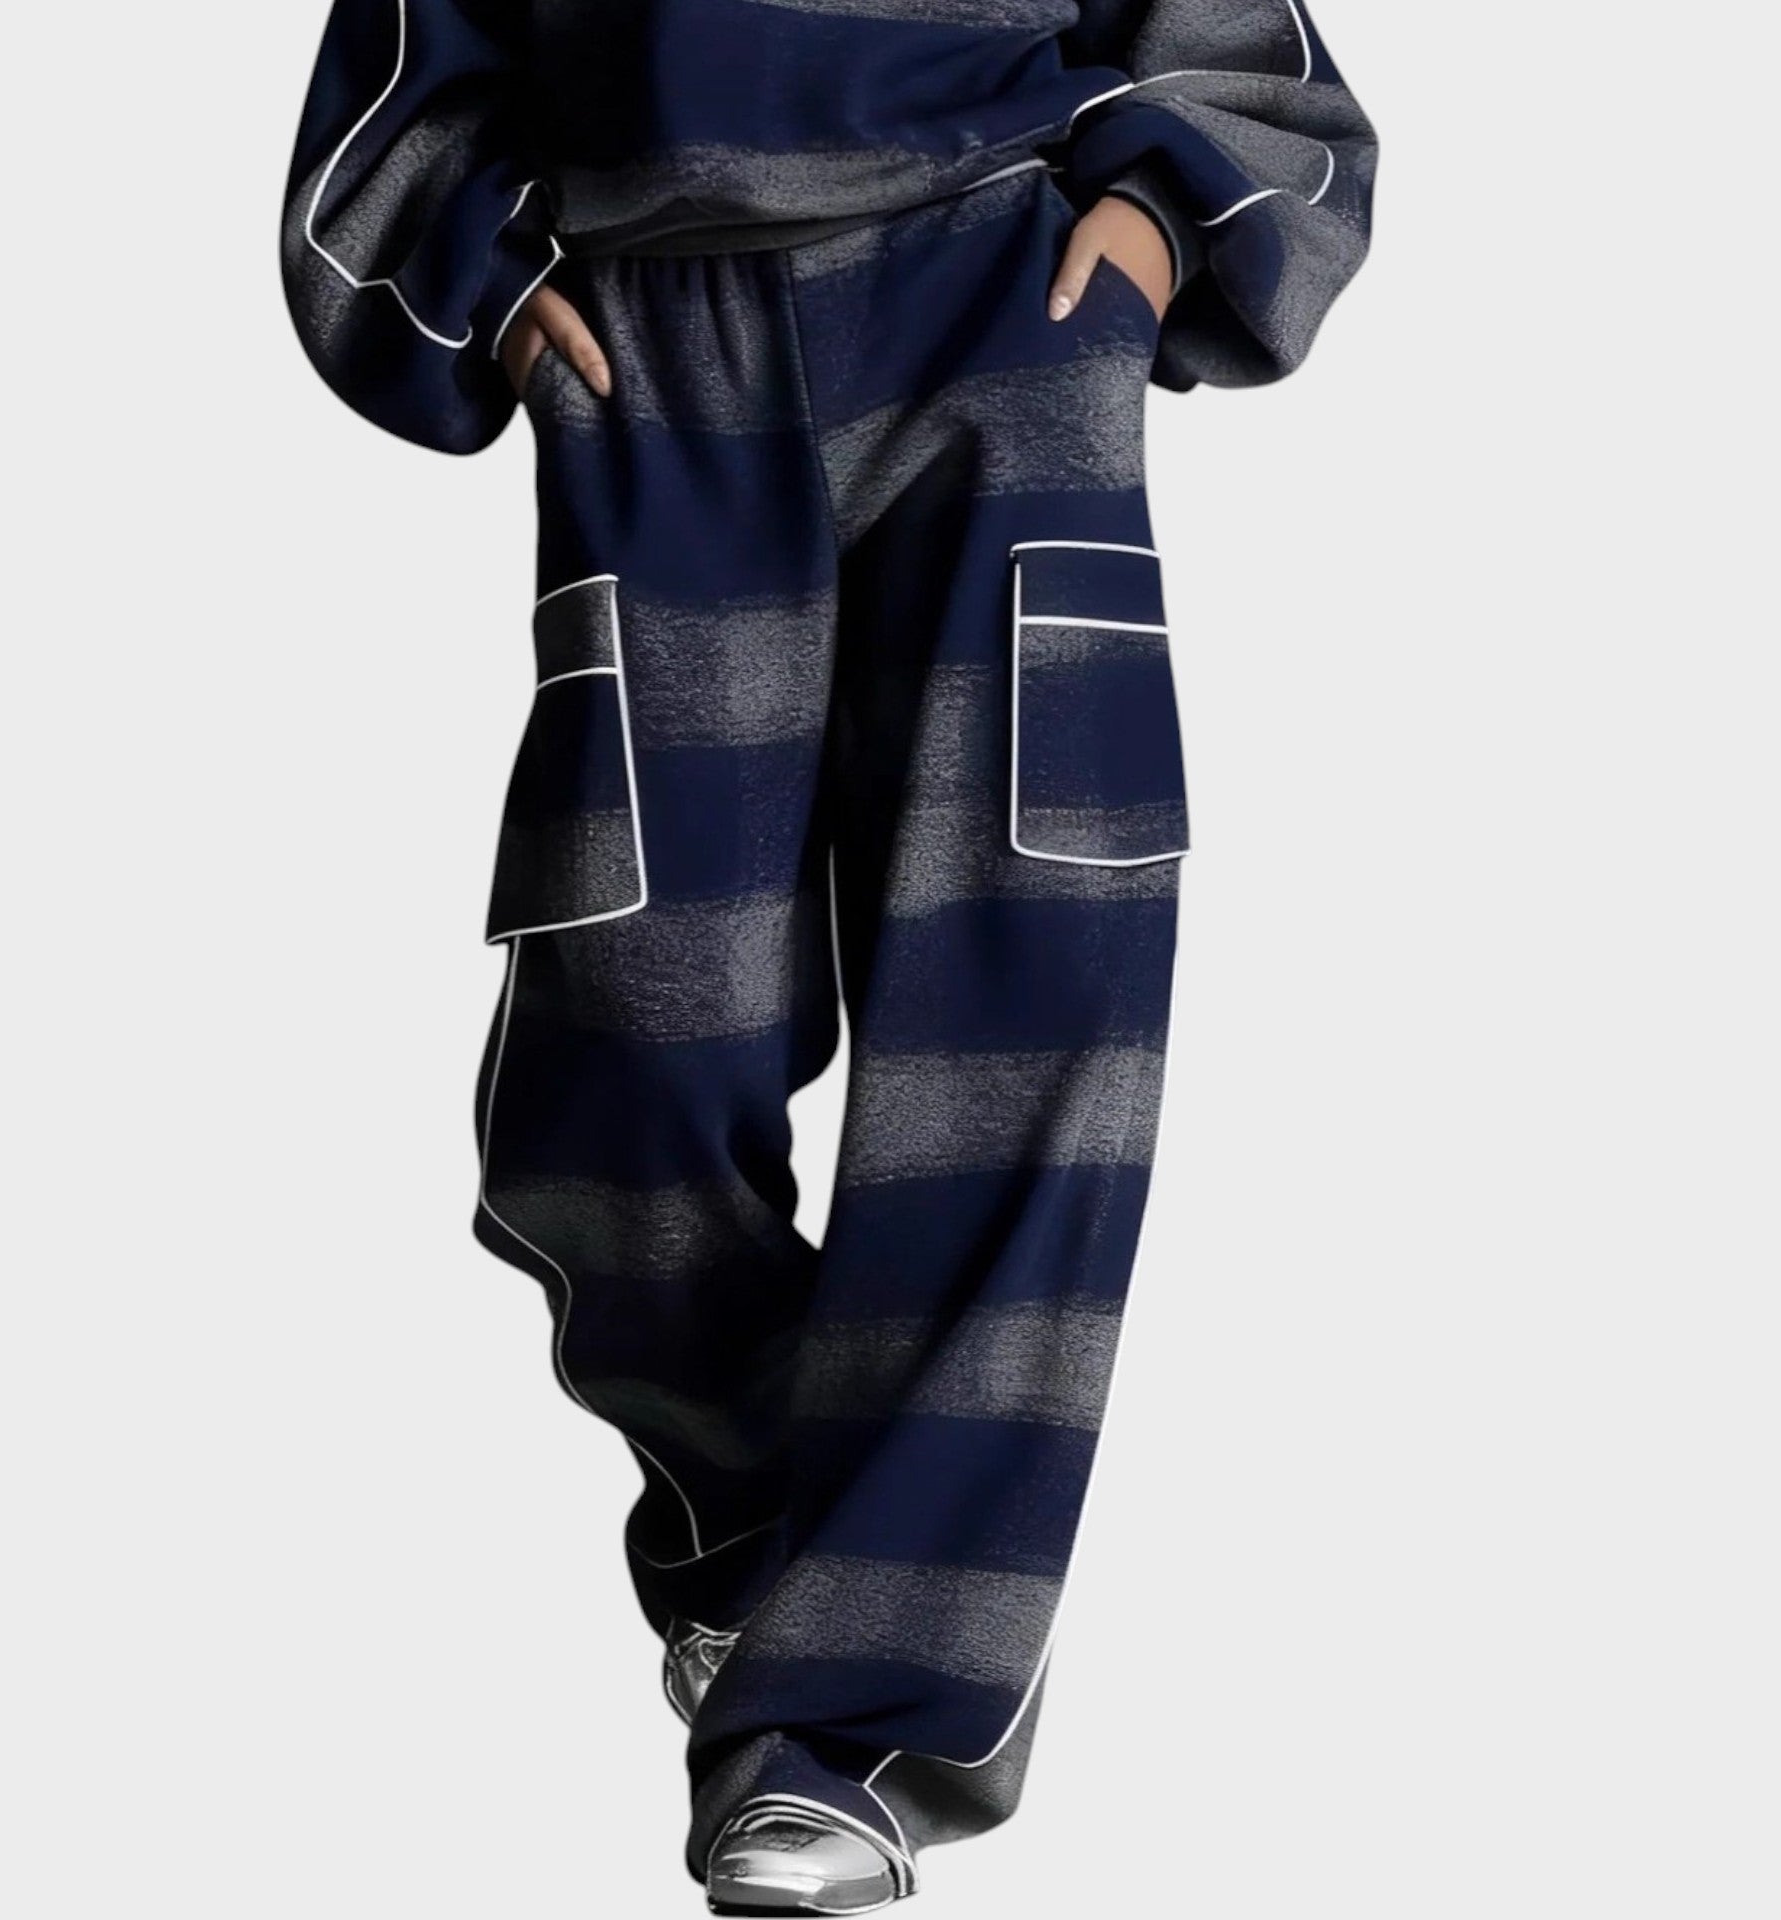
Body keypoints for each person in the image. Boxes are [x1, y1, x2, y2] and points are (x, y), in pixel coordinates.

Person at [282, 2, 1374, 1907]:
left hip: (1002, 304)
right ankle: (766, 1538)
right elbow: (392, 96)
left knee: (1017, 1023)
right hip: (655, 342)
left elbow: (1255, 65)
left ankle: (850, 1726)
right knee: (631, 1046)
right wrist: (500, 288)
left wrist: (1149, 231)